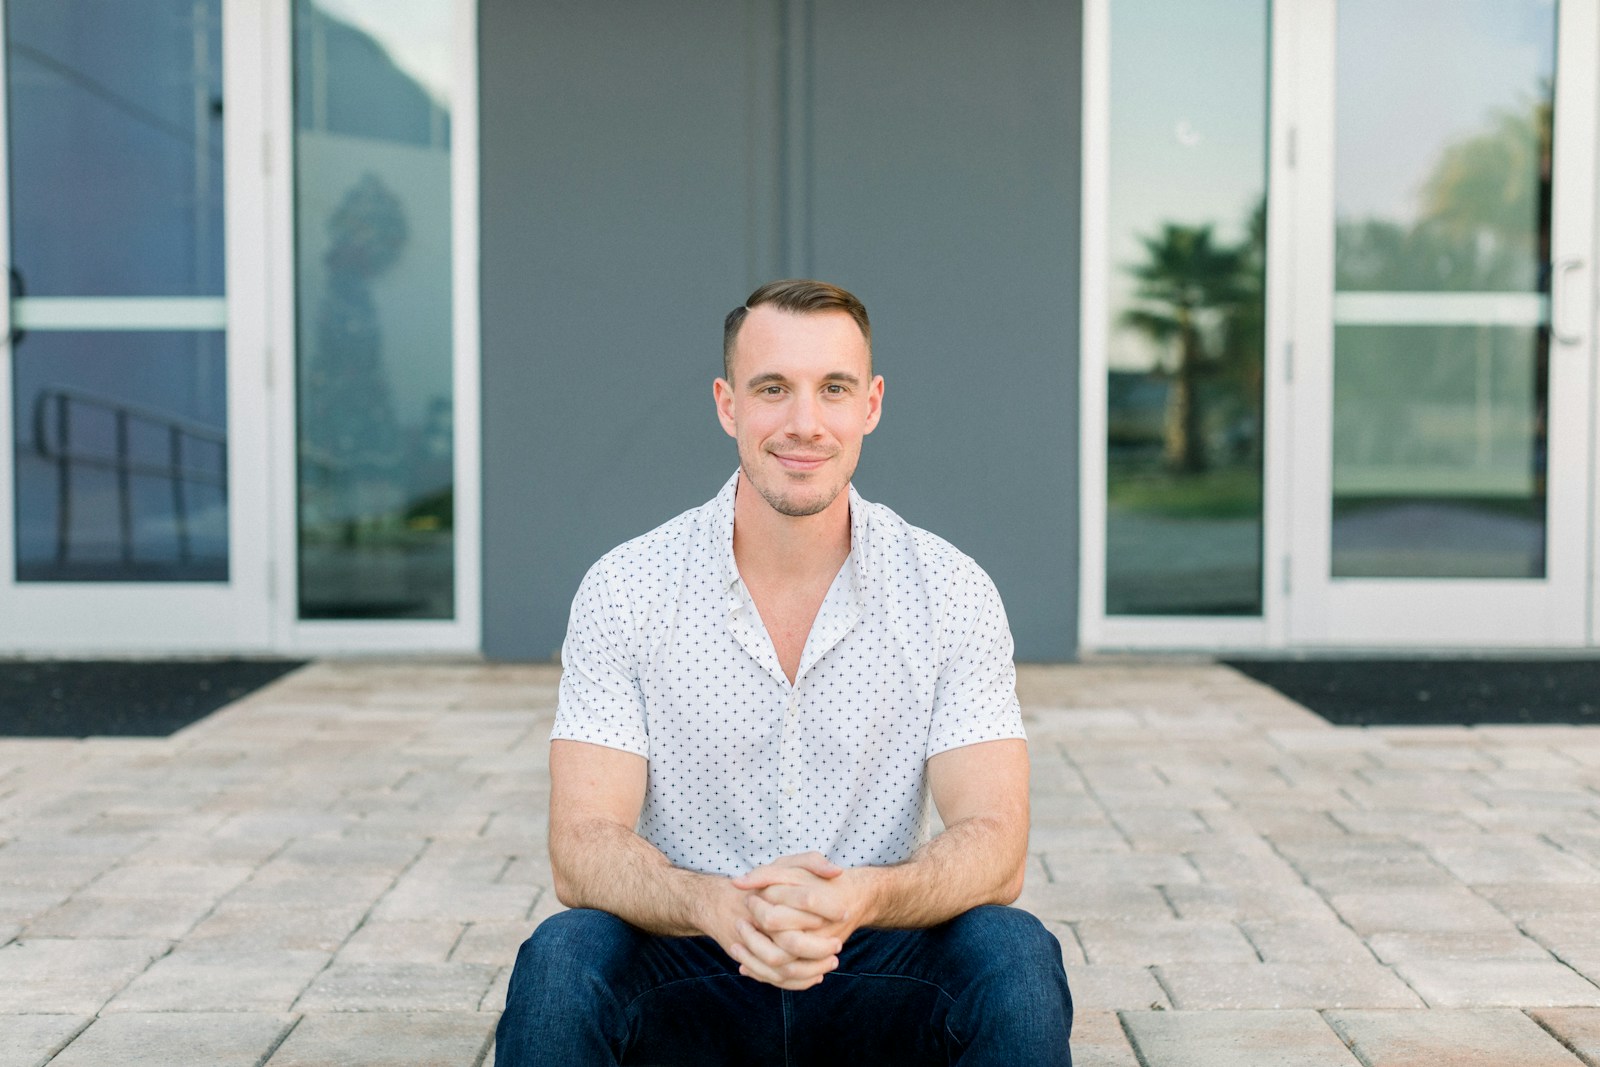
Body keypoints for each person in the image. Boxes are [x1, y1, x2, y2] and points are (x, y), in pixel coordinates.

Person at [496, 280, 1073, 1066]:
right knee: (565, 955)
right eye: (773, 388)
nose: (805, 423)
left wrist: (863, 897)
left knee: (1013, 952)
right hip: (694, 960)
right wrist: (714, 904)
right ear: (728, 404)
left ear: (870, 404)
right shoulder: (626, 586)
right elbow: (581, 846)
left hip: (874, 965)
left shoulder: (948, 587)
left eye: (832, 388)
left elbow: (996, 844)